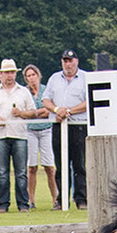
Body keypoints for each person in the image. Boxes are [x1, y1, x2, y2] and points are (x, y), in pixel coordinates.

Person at [0, 59, 36, 213]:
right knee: (2, 172)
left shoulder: (23, 91)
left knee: (21, 172)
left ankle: (23, 204)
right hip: (0, 135)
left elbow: (33, 112)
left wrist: (21, 113)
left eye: (12, 72)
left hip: (19, 134)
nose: (9, 75)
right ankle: (3, 203)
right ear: (1, 74)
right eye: (6, 72)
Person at [41, 50, 91, 208]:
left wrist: (68, 111)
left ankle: (81, 198)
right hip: (58, 125)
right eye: (65, 61)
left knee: (79, 164)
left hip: (78, 125)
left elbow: (89, 101)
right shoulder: (54, 78)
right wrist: (57, 110)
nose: (67, 64)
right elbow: (46, 100)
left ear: (76, 61)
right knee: (60, 164)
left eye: (70, 61)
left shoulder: (85, 78)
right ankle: (61, 199)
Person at [21, 64, 56, 210]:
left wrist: (33, 113)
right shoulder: (23, 92)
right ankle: (31, 200)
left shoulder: (45, 90)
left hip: (46, 129)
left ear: (38, 75)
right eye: (28, 76)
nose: (31, 78)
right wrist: (36, 112)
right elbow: (23, 112)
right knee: (32, 167)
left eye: (33, 75)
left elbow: (49, 109)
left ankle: (55, 199)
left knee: (49, 167)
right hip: (30, 131)